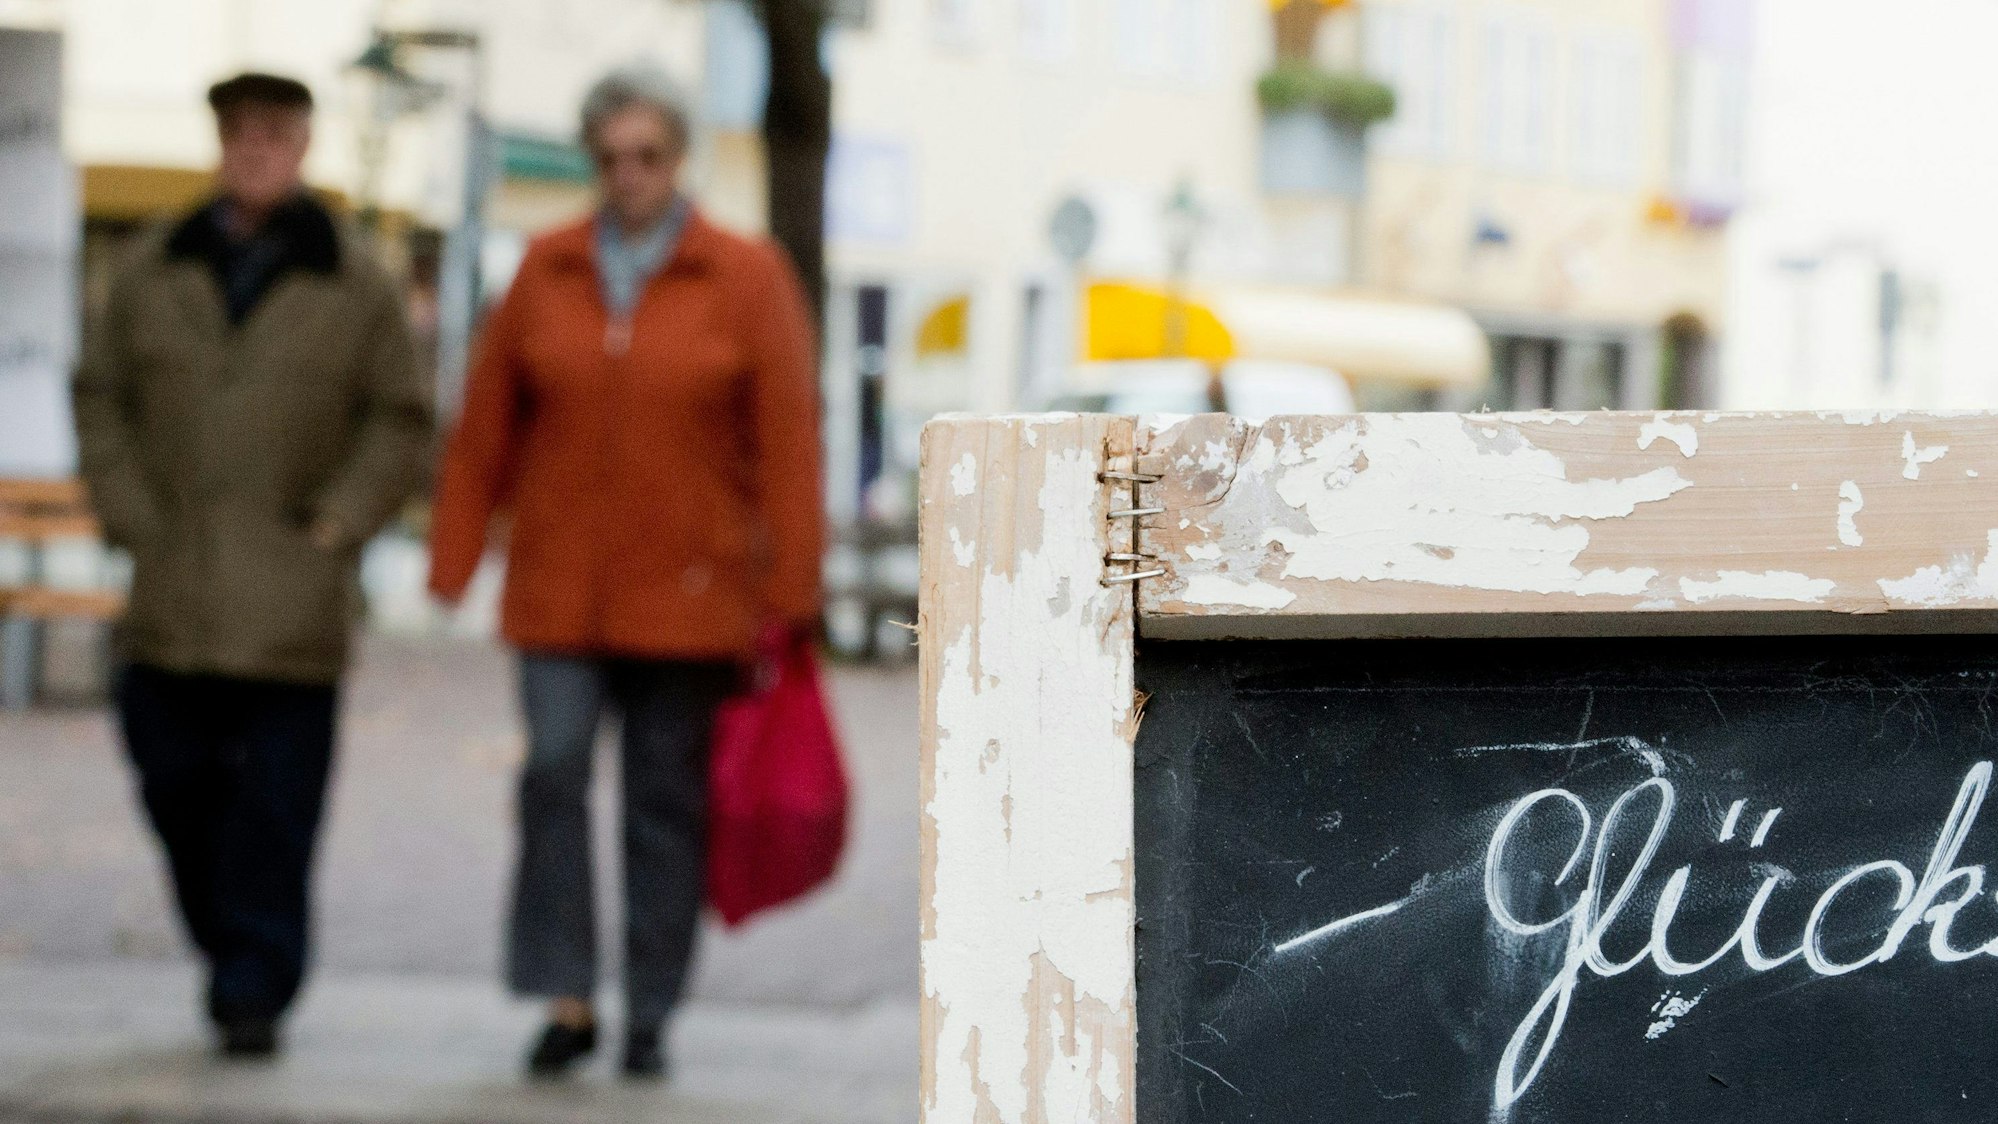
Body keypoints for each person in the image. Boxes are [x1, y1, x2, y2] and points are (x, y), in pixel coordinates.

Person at [426, 65, 824, 1081]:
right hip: (558, 587)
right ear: (592, 159)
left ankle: (650, 1005)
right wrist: (453, 555)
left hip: (693, 597)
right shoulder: (547, 266)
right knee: (551, 773)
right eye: (609, 157)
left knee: (664, 801)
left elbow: (788, 440)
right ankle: (566, 996)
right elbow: (484, 427)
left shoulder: (744, 273)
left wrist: (795, 592)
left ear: (678, 157)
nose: (628, 173)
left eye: (646, 154)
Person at [71, 72, 432, 1057]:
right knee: (174, 775)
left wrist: (338, 524)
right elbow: (99, 395)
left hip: (291, 598)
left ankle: (254, 983)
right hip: (174, 582)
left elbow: (399, 417)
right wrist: (131, 513)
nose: (256, 149)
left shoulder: (354, 279)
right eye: (239, 132)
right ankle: (231, 942)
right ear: (219, 142)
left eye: (274, 132)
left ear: (305, 143)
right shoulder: (153, 266)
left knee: (276, 805)